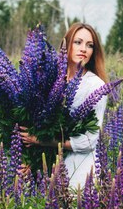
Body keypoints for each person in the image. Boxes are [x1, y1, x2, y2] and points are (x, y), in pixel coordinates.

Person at [19, 22, 109, 189]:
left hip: (79, 170)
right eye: (78, 42)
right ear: (67, 45)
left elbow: (88, 141)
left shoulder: (96, 86)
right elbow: (31, 123)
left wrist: (42, 141)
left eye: (90, 46)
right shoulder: (48, 78)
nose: (83, 49)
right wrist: (29, 160)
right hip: (44, 171)